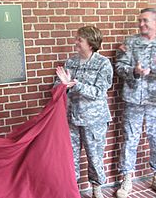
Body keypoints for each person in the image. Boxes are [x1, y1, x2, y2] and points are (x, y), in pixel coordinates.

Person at [54, 26, 113, 198]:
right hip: (72, 118)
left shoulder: (103, 64)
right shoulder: (70, 62)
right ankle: (73, 190)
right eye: (77, 38)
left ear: (91, 43)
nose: (76, 42)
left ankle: (96, 189)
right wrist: (62, 85)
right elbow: (58, 87)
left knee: (94, 157)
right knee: (71, 158)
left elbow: (99, 92)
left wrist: (75, 84)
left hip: (94, 120)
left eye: (80, 39)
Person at [115, 8, 156, 198]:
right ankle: (126, 179)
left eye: (145, 21)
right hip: (133, 99)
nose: (141, 24)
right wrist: (134, 71)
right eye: (140, 21)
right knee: (130, 139)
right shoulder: (130, 43)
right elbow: (119, 67)